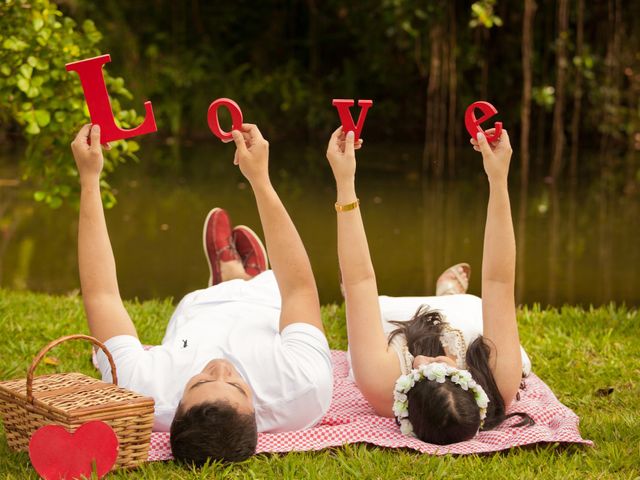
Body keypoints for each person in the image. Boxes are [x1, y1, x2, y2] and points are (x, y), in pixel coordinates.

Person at [71, 123, 333, 464]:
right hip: (269, 297)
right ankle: (243, 274)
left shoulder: (141, 392)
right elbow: (298, 289)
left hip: (200, 306)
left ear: (174, 407)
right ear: (257, 412)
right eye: (237, 386)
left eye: (201, 381)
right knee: (268, 282)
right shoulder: (303, 388)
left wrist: (89, 180)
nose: (220, 368)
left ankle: (225, 276)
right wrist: (260, 181)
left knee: (211, 295)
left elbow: (101, 295)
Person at [326, 126, 532, 445]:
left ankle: (446, 293)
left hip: (391, 320)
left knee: (360, 301)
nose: (430, 360)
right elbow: (498, 282)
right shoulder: (499, 381)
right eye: (445, 369)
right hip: (468, 315)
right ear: (472, 385)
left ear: (405, 395)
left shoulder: (382, 384)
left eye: (423, 371)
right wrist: (499, 178)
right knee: (472, 306)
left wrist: (344, 181)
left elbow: (360, 282)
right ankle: (450, 294)